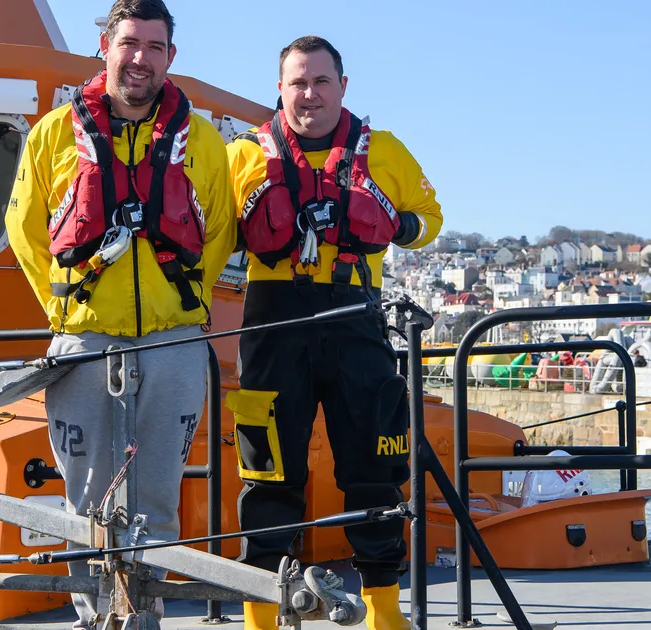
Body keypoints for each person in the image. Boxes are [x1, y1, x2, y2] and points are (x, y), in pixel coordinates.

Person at [5, 1, 236, 626]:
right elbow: (23, 228)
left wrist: (184, 304)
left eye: (154, 46)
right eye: (130, 43)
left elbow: (218, 230)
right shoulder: (53, 134)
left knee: (157, 500)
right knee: (86, 501)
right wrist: (62, 306)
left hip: (174, 345)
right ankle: (94, 618)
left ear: (171, 56)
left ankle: (142, 619)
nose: (140, 59)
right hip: (83, 344)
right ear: (105, 46)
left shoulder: (205, 143)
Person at [225, 36, 442, 630]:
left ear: (343, 87)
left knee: (375, 468)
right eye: (298, 82)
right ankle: (259, 615)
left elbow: (431, 221)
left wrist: (396, 223)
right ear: (280, 88)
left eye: (322, 81)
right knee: (267, 474)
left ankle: (384, 611)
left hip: (356, 319)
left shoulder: (387, 151)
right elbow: (213, 231)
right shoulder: (243, 156)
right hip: (272, 323)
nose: (310, 93)